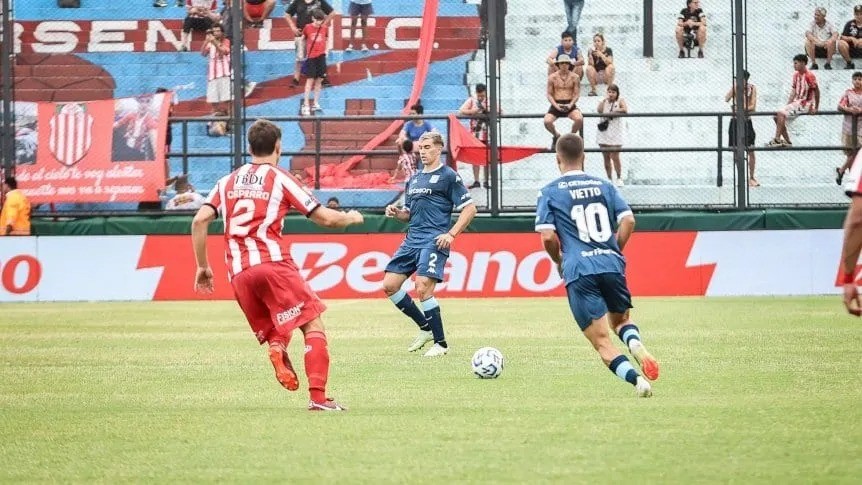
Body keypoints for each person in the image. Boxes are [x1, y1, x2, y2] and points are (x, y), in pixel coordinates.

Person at [191, 119, 364, 411]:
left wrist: (202, 266)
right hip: (272, 263)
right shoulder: (280, 178)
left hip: (240, 274)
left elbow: (199, 220)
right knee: (311, 323)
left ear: (249, 147)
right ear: (278, 146)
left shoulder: (226, 181)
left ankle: (277, 347)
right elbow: (326, 218)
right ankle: (319, 399)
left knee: (278, 325)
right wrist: (351, 217)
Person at [535, 133, 658, 397]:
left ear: (558, 159)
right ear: (585, 157)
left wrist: (559, 260)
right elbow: (629, 221)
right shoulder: (605, 185)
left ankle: (639, 382)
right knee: (621, 320)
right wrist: (613, 250)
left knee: (602, 341)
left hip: (579, 268)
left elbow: (547, 236)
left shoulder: (550, 191)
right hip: (611, 263)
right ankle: (635, 342)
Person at [381, 132, 478, 357]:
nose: (422, 152)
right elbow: (409, 214)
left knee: (422, 285)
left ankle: (441, 344)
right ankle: (425, 328)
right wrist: (397, 212)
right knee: (389, 285)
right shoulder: (414, 179)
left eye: (427, 147)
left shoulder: (448, 176)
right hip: (412, 239)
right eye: (420, 148)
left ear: (439, 149)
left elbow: (470, 208)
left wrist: (451, 234)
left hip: (434, 239)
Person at [767, 54, 819, 148]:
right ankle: (787, 141)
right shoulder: (796, 75)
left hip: (805, 103)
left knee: (780, 113)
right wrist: (788, 105)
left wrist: (816, 107)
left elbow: (817, 90)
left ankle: (777, 139)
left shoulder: (809, 75)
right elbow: (794, 91)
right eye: (794, 63)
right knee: (776, 116)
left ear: (803, 63)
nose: (794, 65)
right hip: (797, 102)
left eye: (796, 63)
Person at [284, 0, 334, 88]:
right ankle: (296, 79)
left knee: (320, 55)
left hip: (316, 34)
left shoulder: (319, 1)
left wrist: (323, 25)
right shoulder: (297, 1)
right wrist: (293, 27)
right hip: (301, 33)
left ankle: (322, 78)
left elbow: (332, 13)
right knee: (299, 57)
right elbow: (287, 14)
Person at [725, 70, 759, 187]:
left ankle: (751, 177)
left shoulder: (752, 88)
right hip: (734, 121)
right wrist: (735, 88)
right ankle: (741, 177)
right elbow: (726, 98)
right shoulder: (736, 87)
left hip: (746, 121)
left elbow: (753, 106)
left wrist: (739, 108)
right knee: (735, 150)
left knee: (751, 150)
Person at [544, 54, 584, 149]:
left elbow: (576, 94)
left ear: (569, 64)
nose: (564, 65)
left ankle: (570, 137)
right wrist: (556, 105)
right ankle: (557, 136)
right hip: (556, 103)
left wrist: (571, 104)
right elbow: (549, 94)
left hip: (569, 102)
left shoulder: (575, 77)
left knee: (579, 119)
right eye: (562, 63)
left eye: (566, 63)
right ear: (558, 64)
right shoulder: (552, 77)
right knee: (547, 121)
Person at [458, 83, 490, 189]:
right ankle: (476, 181)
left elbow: (500, 111)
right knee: (475, 157)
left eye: (483, 96)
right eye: (479, 95)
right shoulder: (472, 100)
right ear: (476, 93)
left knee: (487, 157)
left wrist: (488, 110)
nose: (481, 97)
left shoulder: (490, 101)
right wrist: (473, 112)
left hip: (488, 134)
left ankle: (487, 181)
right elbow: (461, 110)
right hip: (475, 134)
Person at [596, 84, 627, 187]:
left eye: (613, 92)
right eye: (609, 92)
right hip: (604, 132)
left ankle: (619, 177)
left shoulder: (620, 100)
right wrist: (604, 100)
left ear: (617, 93)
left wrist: (615, 111)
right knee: (606, 157)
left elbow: (625, 109)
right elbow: (599, 110)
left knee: (615, 156)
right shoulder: (604, 101)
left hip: (616, 131)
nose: (611, 94)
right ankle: (609, 179)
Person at [300, 9, 330, 116]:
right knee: (310, 80)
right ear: (313, 18)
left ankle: (316, 103)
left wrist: (327, 50)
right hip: (311, 57)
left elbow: (327, 38)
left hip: (321, 56)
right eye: (317, 20)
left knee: (319, 80)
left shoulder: (324, 28)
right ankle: (306, 104)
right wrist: (302, 53)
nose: (319, 23)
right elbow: (302, 39)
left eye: (321, 20)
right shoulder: (308, 27)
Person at [201, 24, 232, 116]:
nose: (216, 33)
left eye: (218, 31)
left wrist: (214, 42)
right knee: (214, 102)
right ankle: (216, 123)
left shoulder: (226, 41)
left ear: (222, 32)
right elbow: (203, 53)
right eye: (214, 31)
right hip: (212, 76)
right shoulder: (210, 43)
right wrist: (206, 41)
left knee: (227, 101)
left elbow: (223, 51)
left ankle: (231, 122)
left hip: (224, 75)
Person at [837, 72, 862, 185]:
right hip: (848, 127)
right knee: (851, 153)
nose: (858, 81)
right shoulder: (848, 93)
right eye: (855, 79)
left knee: (858, 151)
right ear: (852, 81)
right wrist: (850, 110)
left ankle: (842, 170)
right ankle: (852, 179)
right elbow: (840, 106)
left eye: (860, 79)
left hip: (860, 127)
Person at [839, 5, 862, 69]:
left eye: (861, 14)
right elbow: (842, 37)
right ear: (854, 14)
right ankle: (849, 63)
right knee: (841, 43)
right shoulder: (849, 23)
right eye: (857, 14)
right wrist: (851, 38)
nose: (859, 16)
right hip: (851, 50)